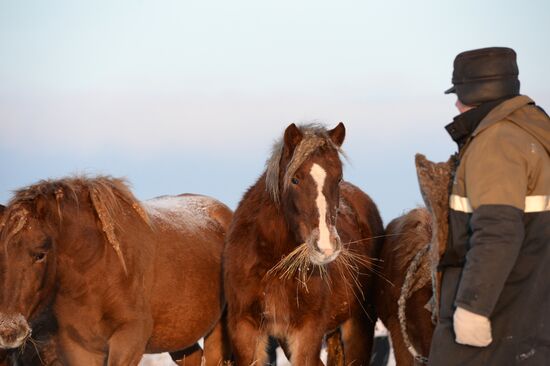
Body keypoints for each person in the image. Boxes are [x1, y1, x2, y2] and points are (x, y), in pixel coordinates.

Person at [428, 47, 550, 365]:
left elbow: (498, 232)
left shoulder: (496, 143)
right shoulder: (532, 133)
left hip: (500, 313)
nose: (455, 103)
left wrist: (472, 308)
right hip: (530, 309)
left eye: (458, 93)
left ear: (475, 92)